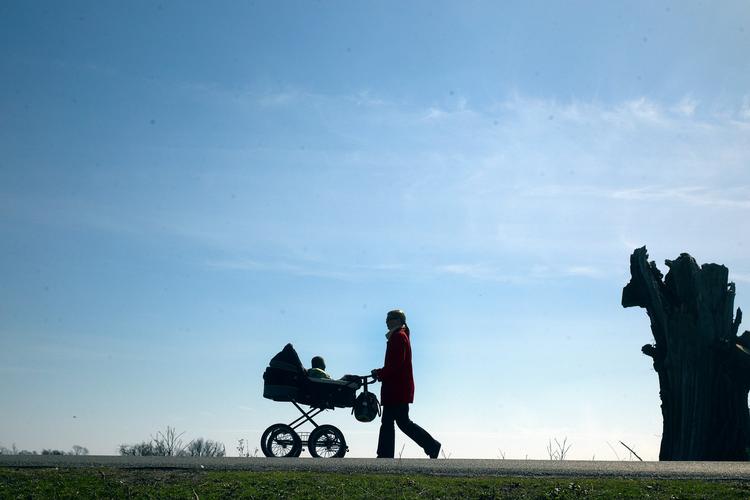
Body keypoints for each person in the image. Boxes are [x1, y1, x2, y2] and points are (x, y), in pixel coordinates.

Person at [371, 309, 441, 459]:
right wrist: (381, 373)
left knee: (400, 422)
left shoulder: (398, 337)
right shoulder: (400, 336)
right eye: (387, 319)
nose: (387, 322)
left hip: (396, 388)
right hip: (397, 387)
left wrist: (380, 373)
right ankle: (385, 454)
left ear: (399, 320)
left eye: (390, 319)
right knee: (393, 421)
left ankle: (431, 445)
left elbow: (396, 364)